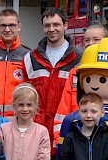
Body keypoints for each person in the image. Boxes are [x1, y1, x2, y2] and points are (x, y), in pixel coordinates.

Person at [22, 7, 80, 138]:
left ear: (65, 25)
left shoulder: (79, 58)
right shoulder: (31, 58)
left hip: (67, 130)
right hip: (37, 130)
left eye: (56, 24)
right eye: (47, 25)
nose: (51, 29)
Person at [50, 22, 108, 145]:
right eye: (87, 40)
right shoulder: (75, 73)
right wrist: (60, 141)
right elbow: (63, 111)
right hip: (79, 138)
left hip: (107, 139)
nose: (90, 43)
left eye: (96, 39)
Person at [0, 9, 29, 117]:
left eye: (12, 25)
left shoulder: (28, 56)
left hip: (18, 117)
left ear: (19, 27)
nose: (7, 29)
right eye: (3, 25)